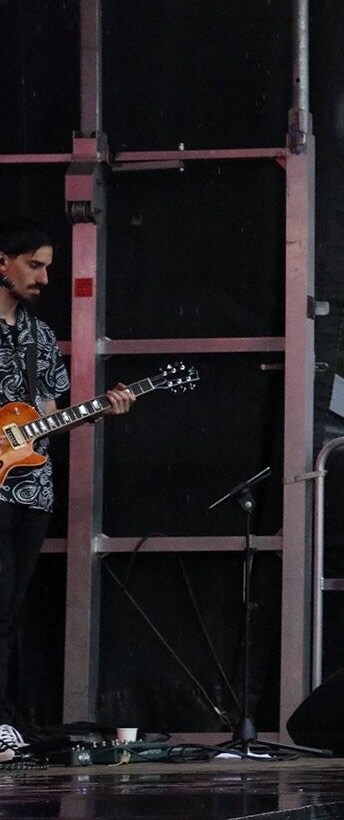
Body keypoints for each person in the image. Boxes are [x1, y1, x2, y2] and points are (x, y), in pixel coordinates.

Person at [0, 221, 135, 751]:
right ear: (2, 262)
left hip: (32, 489)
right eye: (34, 265)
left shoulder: (37, 335)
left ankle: (5, 721)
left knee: (11, 608)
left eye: (47, 267)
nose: (44, 278)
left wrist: (100, 408)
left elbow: (50, 414)